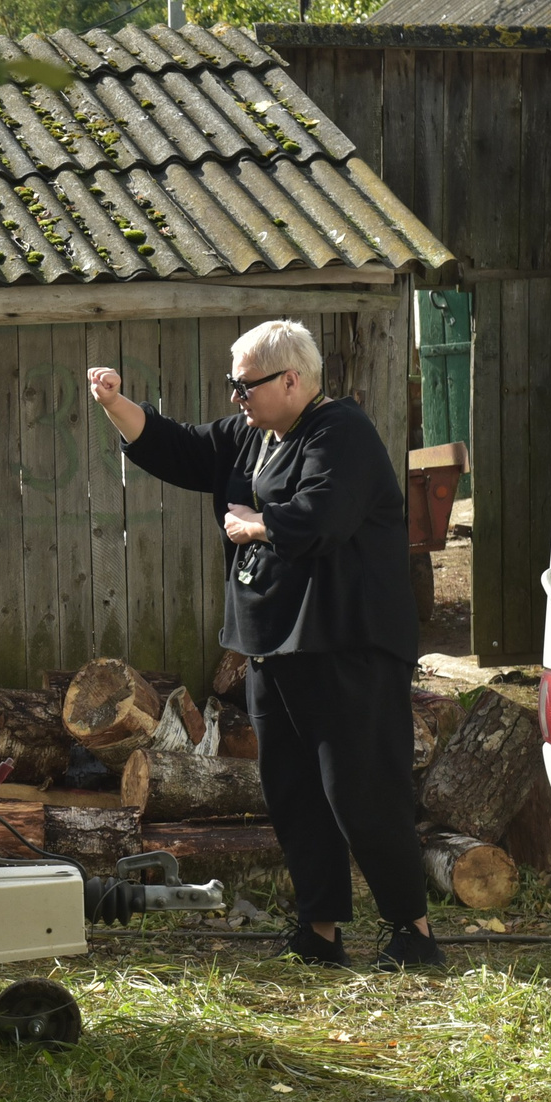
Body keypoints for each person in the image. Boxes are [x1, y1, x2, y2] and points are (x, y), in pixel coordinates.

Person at [85, 320, 442, 972]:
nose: (235, 398)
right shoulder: (254, 436)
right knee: (292, 788)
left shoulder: (342, 434)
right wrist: (115, 403)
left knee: (358, 789)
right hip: (275, 644)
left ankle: (412, 931)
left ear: (292, 380)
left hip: (347, 641)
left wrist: (258, 523)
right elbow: (180, 447)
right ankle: (321, 929)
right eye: (232, 385)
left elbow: (325, 518)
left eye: (244, 386)